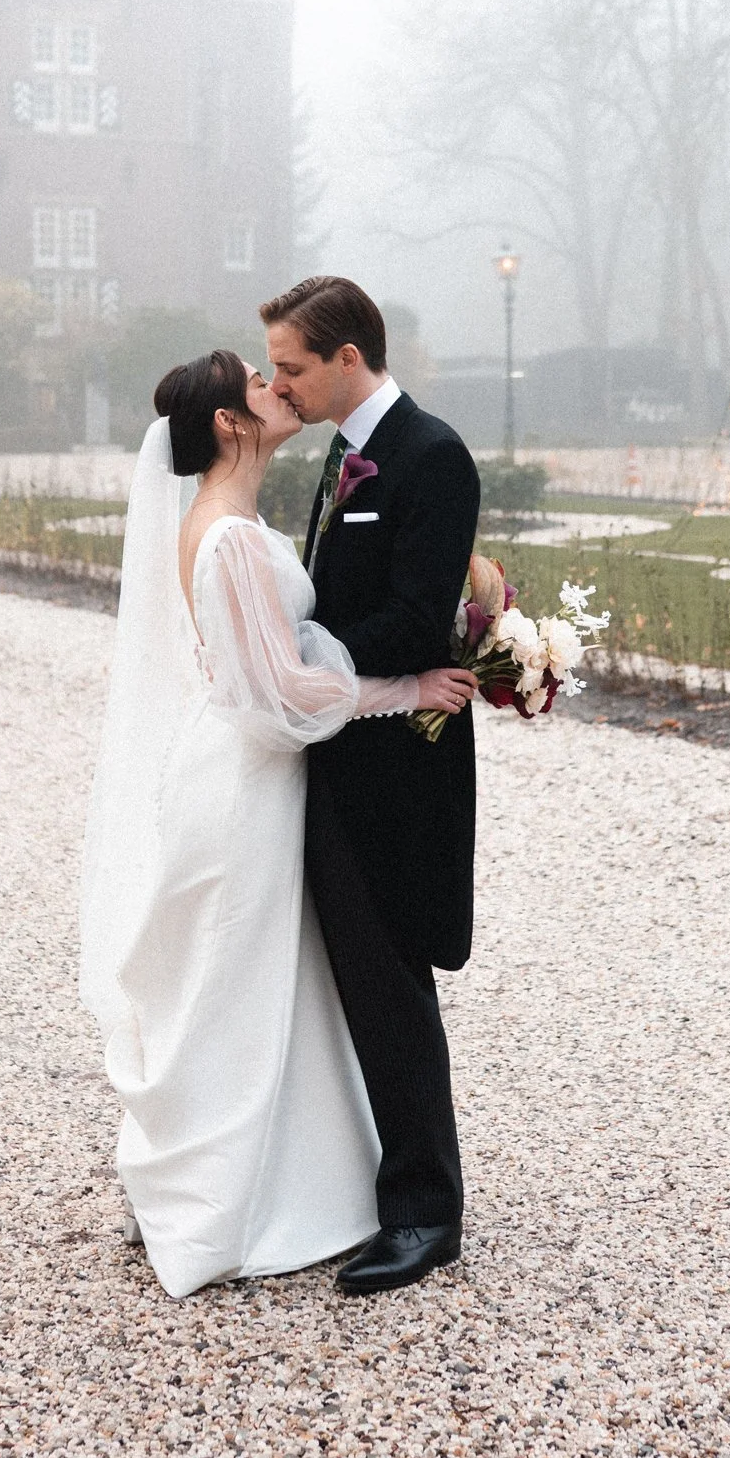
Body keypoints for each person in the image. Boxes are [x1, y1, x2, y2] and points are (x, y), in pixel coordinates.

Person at [78, 349, 477, 1300]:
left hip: (263, 775)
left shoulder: (237, 521)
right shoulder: (225, 537)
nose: (279, 387)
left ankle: (250, 1177)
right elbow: (280, 689)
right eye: (262, 381)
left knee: (257, 984)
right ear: (227, 421)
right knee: (231, 980)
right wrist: (407, 687)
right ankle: (211, 1192)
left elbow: (282, 654)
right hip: (250, 780)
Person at [262, 276, 481, 1296]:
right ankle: (371, 1178)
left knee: (395, 988)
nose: (281, 383)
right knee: (354, 982)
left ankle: (425, 1211)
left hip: (397, 769)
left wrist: (284, 650)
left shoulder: (431, 456)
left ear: (349, 355)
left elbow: (412, 618)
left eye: (293, 366)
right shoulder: (342, 458)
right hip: (334, 756)